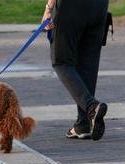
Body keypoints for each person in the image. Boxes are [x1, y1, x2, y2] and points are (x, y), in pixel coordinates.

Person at [41, 0, 109, 140]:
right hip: (100, 7)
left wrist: (48, 8)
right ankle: (83, 124)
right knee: (88, 65)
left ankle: (92, 107)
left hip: (70, 6)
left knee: (61, 62)